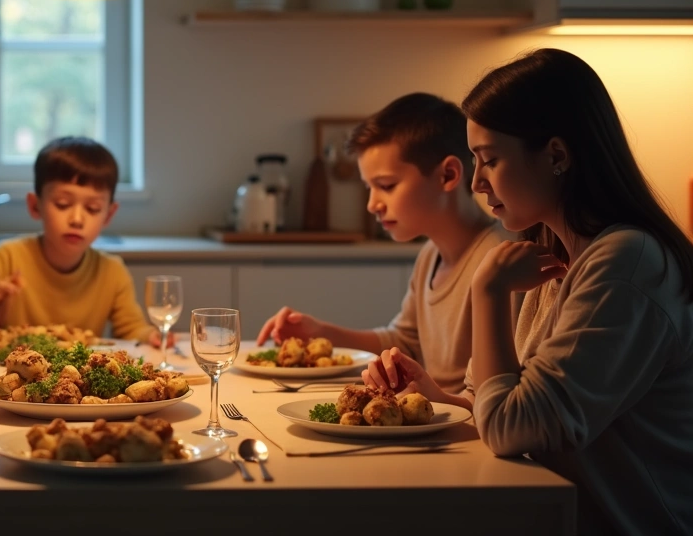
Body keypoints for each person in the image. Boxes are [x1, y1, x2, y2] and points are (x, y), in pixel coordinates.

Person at [365, 49, 693, 535]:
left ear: (556, 156)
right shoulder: (551, 253)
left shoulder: (625, 264)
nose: (477, 182)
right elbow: (494, 404)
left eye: (490, 160)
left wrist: (489, 291)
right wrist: (436, 397)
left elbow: (511, 428)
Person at [256, 93, 508, 394]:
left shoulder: (502, 261)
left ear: (448, 175)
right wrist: (320, 332)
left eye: (386, 186)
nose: (372, 204)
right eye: (369, 187)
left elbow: (494, 396)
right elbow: (404, 342)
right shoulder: (430, 255)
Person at [0, 136, 158, 343]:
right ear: (35, 206)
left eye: (93, 208)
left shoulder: (112, 271)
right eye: (63, 204)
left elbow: (132, 330)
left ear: (109, 215)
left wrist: (152, 336)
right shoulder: (8, 257)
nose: (77, 219)